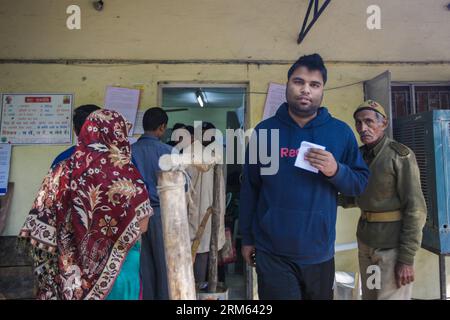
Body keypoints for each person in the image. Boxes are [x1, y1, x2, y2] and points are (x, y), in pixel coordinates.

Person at [239, 53, 369, 300]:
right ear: (287, 84)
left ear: (322, 90)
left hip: (318, 253)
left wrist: (336, 170)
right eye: (299, 82)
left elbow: (359, 184)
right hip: (272, 252)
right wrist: (247, 237)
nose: (305, 90)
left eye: (314, 84)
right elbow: (250, 189)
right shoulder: (265, 132)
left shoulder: (340, 132)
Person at [19, 109, 152, 300]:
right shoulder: (128, 173)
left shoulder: (62, 169)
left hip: (71, 267)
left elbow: (42, 217)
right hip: (121, 267)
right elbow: (142, 225)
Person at [340, 100, 426, 300]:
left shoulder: (400, 156)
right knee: (369, 297)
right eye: (359, 123)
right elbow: (352, 197)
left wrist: (406, 258)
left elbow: (416, 209)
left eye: (369, 122)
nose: (363, 128)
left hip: (392, 249)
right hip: (366, 245)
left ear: (384, 123)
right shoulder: (358, 156)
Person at [131, 107, 172, 300]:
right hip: (162, 214)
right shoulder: (169, 152)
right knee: (165, 266)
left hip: (135, 216)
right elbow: (185, 187)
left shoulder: (127, 153)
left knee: (142, 265)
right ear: (162, 127)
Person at [184, 122, 226, 284]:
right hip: (198, 211)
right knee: (201, 254)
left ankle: (199, 289)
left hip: (203, 210)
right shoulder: (199, 153)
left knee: (202, 253)